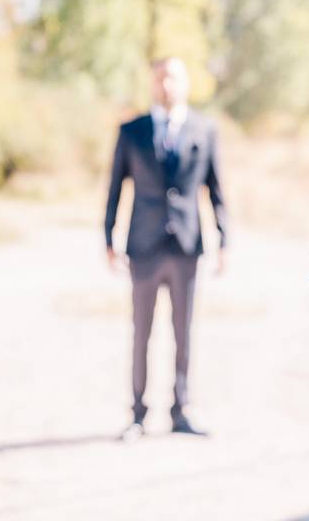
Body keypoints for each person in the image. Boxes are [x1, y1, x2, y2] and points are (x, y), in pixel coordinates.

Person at [104, 57, 228, 438]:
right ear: (152, 84)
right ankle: (138, 414)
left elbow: (216, 189)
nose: (166, 85)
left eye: (172, 78)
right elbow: (114, 190)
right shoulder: (131, 131)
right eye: (159, 78)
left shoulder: (205, 130)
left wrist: (224, 239)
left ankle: (181, 412)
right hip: (142, 247)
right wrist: (108, 237)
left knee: (184, 333)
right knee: (141, 332)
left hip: (187, 248)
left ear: (185, 83)